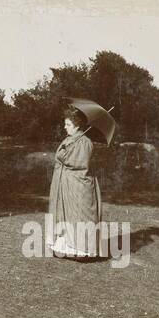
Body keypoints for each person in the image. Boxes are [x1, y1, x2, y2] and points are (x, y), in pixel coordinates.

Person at [49, 106, 103, 260]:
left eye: (68, 125)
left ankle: (82, 251)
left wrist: (65, 154)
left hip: (78, 184)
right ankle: (63, 246)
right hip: (64, 183)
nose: (65, 127)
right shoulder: (69, 140)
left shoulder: (84, 142)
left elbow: (79, 163)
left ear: (77, 126)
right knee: (65, 214)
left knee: (79, 214)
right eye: (65, 124)